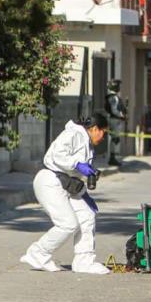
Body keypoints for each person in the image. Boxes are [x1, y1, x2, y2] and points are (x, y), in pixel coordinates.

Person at [20, 112, 111, 275]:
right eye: (104, 132)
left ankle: (84, 262)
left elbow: (74, 173)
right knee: (67, 224)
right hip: (50, 181)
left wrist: (84, 193)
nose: (104, 137)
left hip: (67, 184)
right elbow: (57, 155)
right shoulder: (74, 133)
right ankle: (38, 253)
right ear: (95, 129)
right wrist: (77, 164)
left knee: (87, 214)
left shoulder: (86, 142)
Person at [104, 79, 126, 166]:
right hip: (114, 120)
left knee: (114, 139)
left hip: (113, 119)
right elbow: (114, 110)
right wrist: (122, 116)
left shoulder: (111, 96)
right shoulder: (113, 97)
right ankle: (112, 158)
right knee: (115, 139)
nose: (119, 88)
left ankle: (113, 157)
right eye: (118, 86)